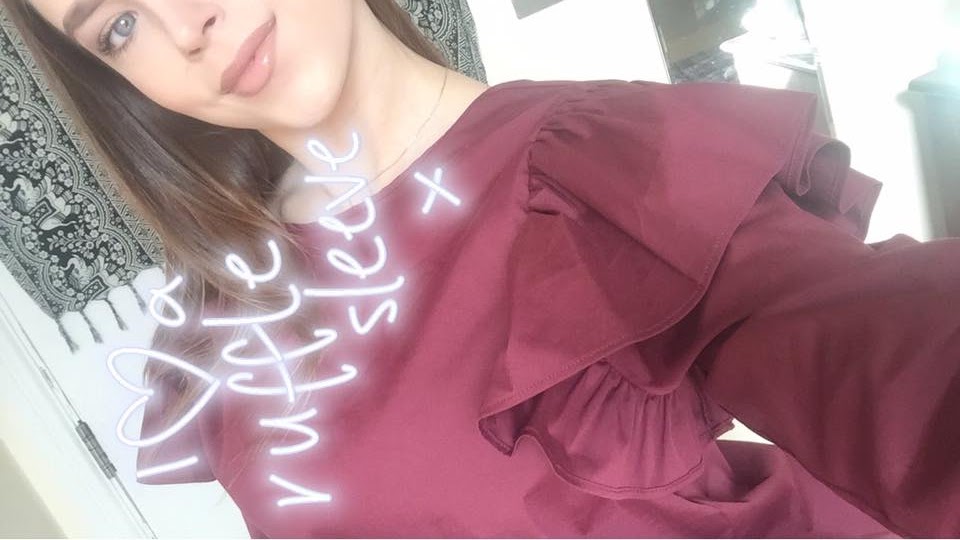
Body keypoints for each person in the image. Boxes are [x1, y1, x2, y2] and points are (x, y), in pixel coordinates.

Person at [5, 0, 959, 537]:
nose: (185, 23)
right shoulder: (227, 319)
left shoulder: (602, 167)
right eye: (117, 25)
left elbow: (880, 354)